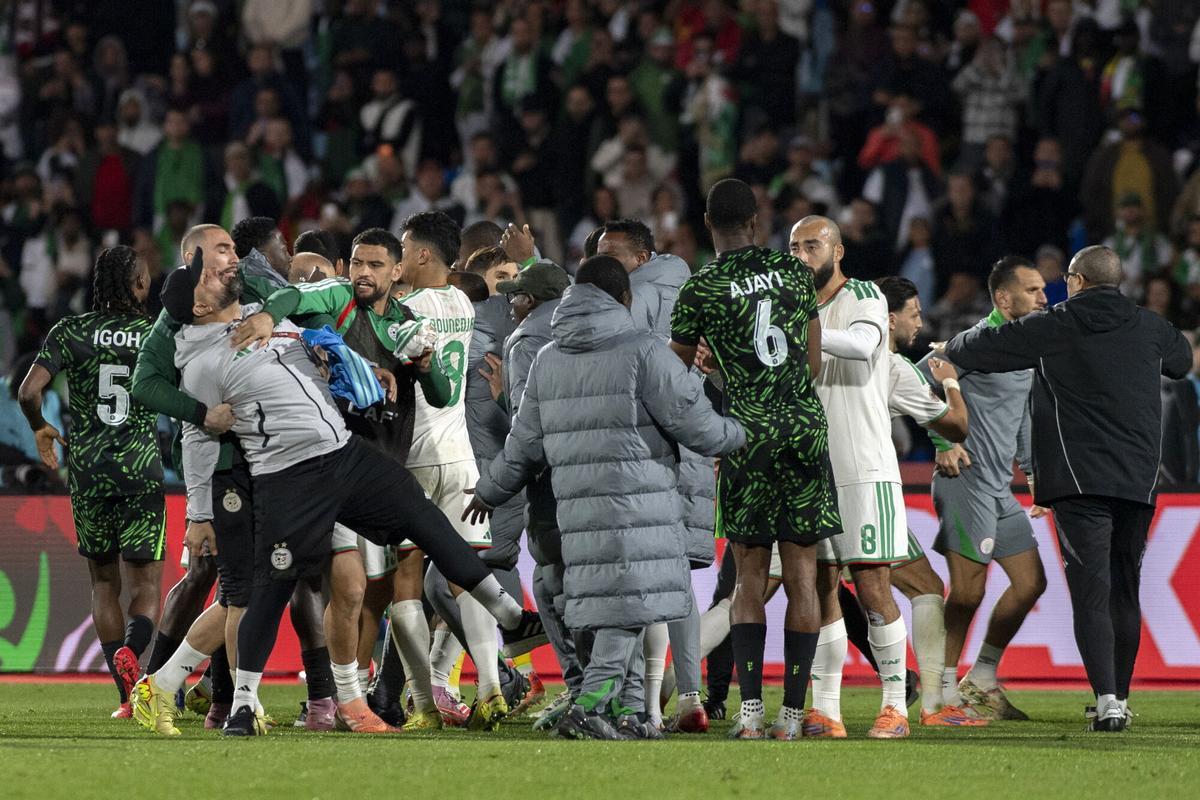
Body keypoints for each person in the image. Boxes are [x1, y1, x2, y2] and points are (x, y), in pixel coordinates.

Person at [148, 242, 543, 737]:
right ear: (200, 307)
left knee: (419, 517)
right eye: (206, 278)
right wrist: (201, 503)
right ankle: (240, 702)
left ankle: (508, 616)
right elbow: (205, 428)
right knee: (266, 591)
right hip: (288, 478)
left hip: (344, 455)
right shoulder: (203, 363)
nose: (220, 276)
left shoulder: (260, 318)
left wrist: (353, 368)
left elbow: (308, 343)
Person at [467, 255, 746, 740]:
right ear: (625, 299)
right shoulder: (646, 351)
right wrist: (745, 432)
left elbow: (523, 443)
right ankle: (591, 704)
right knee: (629, 610)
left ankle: (632, 714)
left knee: (618, 608)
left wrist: (490, 490)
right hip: (641, 508)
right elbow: (697, 426)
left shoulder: (548, 359)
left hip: (575, 513)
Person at [941, 245, 1191, 732]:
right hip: (1138, 478)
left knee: (1092, 592)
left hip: (1079, 481)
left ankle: (1108, 701)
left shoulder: (1056, 324)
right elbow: (1181, 363)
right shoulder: (1150, 325)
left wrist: (947, 351)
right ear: (1119, 282)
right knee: (1125, 588)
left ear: (1075, 281)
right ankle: (1120, 695)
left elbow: (982, 349)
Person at [237, 227, 461, 731]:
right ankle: (345, 700)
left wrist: (424, 367)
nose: (363, 272)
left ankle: (347, 698)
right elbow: (291, 295)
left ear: (397, 271)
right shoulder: (329, 310)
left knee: (373, 593)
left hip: (380, 476)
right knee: (341, 589)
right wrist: (274, 312)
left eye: (375, 265)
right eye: (357, 263)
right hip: (327, 469)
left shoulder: (407, 324)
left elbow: (444, 394)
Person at [668, 180, 840, 740]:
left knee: (747, 579)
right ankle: (793, 716)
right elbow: (812, 362)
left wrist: (723, 374)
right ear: (757, 220)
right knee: (803, 578)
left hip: (745, 435)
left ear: (706, 223)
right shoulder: (796, 273)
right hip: (802, 430)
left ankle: (750, 714)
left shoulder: (702, 287)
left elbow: (677, 379)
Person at [17, 246, 165, 719]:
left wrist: (41, 427)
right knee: (146, 584)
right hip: (140, 469)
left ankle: (125, 696)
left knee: (104, 583)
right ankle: (134, 658)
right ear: (138, 284)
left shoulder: (69, 330)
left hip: (88, 471)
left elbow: (28, 390)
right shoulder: (154, 333)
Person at [789, 213, 910, 739]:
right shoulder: (790, 306)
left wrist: (795, 327)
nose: (800, 256)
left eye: (812, 246)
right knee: (817, 587)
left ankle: (895, 705)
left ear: (837, 251)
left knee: (872, 583)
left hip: (864, 467)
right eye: (793, 247)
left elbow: (862, 346)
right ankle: (828, 709)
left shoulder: (864, 295)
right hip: (810, 468)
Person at [920, 256, 1048, 722]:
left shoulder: (1023, 350)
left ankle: (983, 677)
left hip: (999, 489)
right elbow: (917, 379)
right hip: (964, 482)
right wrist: (940, 441)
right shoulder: (972, 344)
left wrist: (1034, 474)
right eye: (1032, 290)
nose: (1043, 298)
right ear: (1002, 297)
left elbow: (1023, 416)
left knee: (1032, 581)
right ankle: (942, 689)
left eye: (1042, 289)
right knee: (969, 592)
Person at [875, 276, 983, 727]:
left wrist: (938, 445)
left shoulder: (827, 353)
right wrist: (951, 381)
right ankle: (924, 706)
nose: (920, 323)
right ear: (890, 316)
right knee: (922, 588)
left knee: (752, 594)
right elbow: (952, 421)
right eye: (915, 314)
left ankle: (680, 690)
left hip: (805, 491)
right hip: (865, 495)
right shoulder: (892, 364)